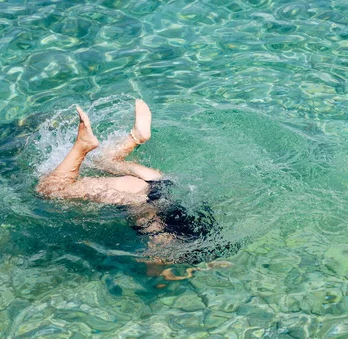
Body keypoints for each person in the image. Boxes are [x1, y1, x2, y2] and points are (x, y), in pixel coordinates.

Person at [36, 100, 232, 280]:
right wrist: (162, 275)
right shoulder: (167, 251)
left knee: (105, 162)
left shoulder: (200, 236)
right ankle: (82, 146)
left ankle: (136, 136)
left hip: (163, 182)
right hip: (138, 195)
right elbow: (151, 272)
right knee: (51, 190)